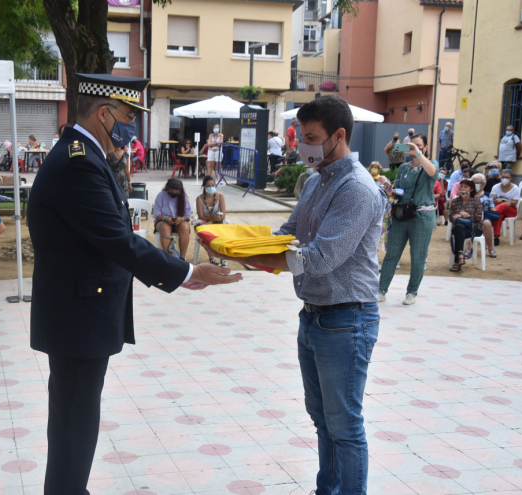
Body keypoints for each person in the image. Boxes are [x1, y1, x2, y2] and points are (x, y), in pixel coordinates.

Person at [27, 73, 240, 494]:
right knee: (75, 423)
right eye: (128, 116)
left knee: (76, 421)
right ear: (104, 114)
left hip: (78, 313)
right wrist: (188, 271)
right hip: (78, 317)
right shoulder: (78, 163)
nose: (132, 128)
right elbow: (117, 240)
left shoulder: (85, 156)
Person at [199, 95, 386, 495]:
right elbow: (289, 234)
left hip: (346, 319)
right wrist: (234, 245)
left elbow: (320, 257)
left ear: (339, 136)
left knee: (345, 426)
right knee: (322, 419)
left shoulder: (356, 189)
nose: (303, 146)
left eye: (312, 138)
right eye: (302, 137)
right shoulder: (318, 181)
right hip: (315, 316)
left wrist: (252, 253)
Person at [379, 133, 437, 305]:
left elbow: (432, 172)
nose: (411, 148)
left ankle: (412, 292)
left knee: (418, 255)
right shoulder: (404, 168)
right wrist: (388, 189)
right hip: (401, 213)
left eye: (416, 145)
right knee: (392, 254)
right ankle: (381, 289)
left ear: (425, 147)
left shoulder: (431, 164)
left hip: (422, 215)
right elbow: (397, 193)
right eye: (409, 145)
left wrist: (418, 153)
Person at [448, 179, 483, 272]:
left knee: (459, 230)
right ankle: (460, 255)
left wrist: (468, 215)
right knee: (459, 228)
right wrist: (456, 216)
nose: (463, 189)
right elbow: (450, 217)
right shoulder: (456, 201)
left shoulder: (476, 200)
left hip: (474, 227)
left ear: (471, 189)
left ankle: (457, 260)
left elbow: (479, 217)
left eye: (465, 187)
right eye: (461, 187)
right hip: (460, 227)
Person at [154, 178, 192, 260]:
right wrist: (166, 219)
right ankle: (168, 258)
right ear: (168, 188)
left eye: (176, 193)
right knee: (165, 227)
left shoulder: (184, 197)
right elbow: (157, 214)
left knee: (185, 226)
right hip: (162, 221)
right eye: (172, 193)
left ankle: (182, 258)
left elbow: (188, 215)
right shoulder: (161, 195)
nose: (174, 194)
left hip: (178, 222)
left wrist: (181, 219)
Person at [490, 168, 519, 246]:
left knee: (502, 206)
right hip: (499, 210)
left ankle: (492, 214)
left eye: (507, 177)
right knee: (499, 215)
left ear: (511, 178)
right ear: (500, 177)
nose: (504, 179)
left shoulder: (515, 188)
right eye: (503, 177)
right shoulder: (496, 187)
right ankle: (496, 237)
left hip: (511, 210)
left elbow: (515, 203)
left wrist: (506, 201)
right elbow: (492, 200)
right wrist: (496, 201)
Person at [471, 173, 498, 258]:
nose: (476, 185)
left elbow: (493, 209)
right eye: (474, 183)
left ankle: (491, 248)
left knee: (486, 223)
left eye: (478, 183)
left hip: (485, 215)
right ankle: (468, 248)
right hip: (471, 215)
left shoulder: (487, 194)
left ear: (483, 184)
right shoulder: (468, 194)